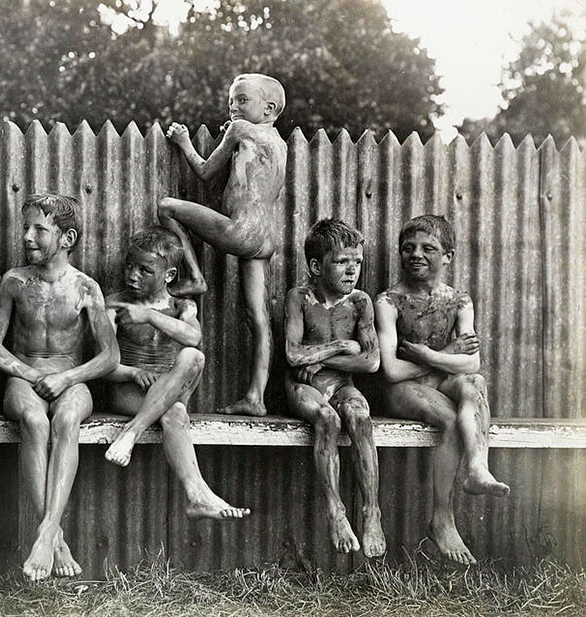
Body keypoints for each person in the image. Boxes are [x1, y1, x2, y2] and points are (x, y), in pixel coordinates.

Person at [0, 193, 119, 582]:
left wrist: (66, 378)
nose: (27, 237)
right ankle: (54, 535)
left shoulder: (85, 287)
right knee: (33, 420)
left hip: (69, 376)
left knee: (67, 419)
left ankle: (45, 531)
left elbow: (109, 356)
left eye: (39, 229)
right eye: (25, 227)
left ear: (67, 238)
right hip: (23, 375)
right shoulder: (13, 282)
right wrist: (27, 375)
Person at [374, 214, 510, 565]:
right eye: (408, 248)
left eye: (428, 248)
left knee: (475, 384)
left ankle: (478, 467)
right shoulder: (388, 302)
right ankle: (442, 519)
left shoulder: (459, 301)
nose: (416, 254)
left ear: (447, 256)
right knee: (450, 420)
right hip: (403, 391)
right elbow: (391, 370)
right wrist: (446, 355)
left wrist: (433, 356)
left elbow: (472, 364)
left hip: (440, 378)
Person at [158, 73, 287, 417]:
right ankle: (256, 396)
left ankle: (195, 277)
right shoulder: (279, 143)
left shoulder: (240, 130)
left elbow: (204, 171)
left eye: (242, 100)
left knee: (167, 207)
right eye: (231, 100)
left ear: (269, 107)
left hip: (240, 231)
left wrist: (184, 142)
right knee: (257, 316)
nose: (233, 107)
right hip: (265, 238)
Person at [103, 227, 250, 520]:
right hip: (129, 392)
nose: (132, 276)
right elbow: (105, 363)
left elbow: (193, 338)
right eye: (129, 267)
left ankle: (132, 432)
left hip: (170, 388)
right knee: (175, 414)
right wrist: (133, 373)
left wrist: (148, 315)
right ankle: (196, 496)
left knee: (192, 356)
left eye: (144, 270)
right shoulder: (116, 304)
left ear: (168, 275)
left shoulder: (183, 306)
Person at [284, 219, 386, 557]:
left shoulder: (360, 303)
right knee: (328, 420)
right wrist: (342, 346)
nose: (352, 270)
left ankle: (372, 512)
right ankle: (336, 511)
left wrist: (323, 360)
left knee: (359, 415)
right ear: (316, 266)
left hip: (343, 384)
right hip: (304, 388)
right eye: (342, 261)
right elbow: (293, 355)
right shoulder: (299, 298)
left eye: (357, 262)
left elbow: (371, 361)